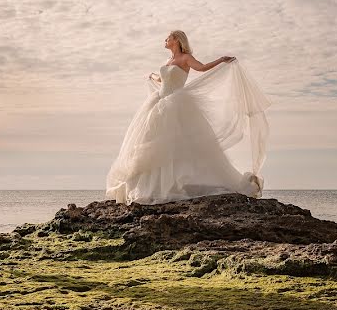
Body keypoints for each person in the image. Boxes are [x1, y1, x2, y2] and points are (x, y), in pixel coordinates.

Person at [105, 30, 270, 205]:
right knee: (153, 144)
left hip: (176, 103)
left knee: (177, 144)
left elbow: (202, 67)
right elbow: (162, 79)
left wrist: (221, 60)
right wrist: (151, 76)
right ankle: (154, 186)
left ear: (176, 40)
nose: (165, 40)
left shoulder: (185, 58)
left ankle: (180, 183)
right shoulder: (168, 61)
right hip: (159, 103)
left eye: (168, 38)